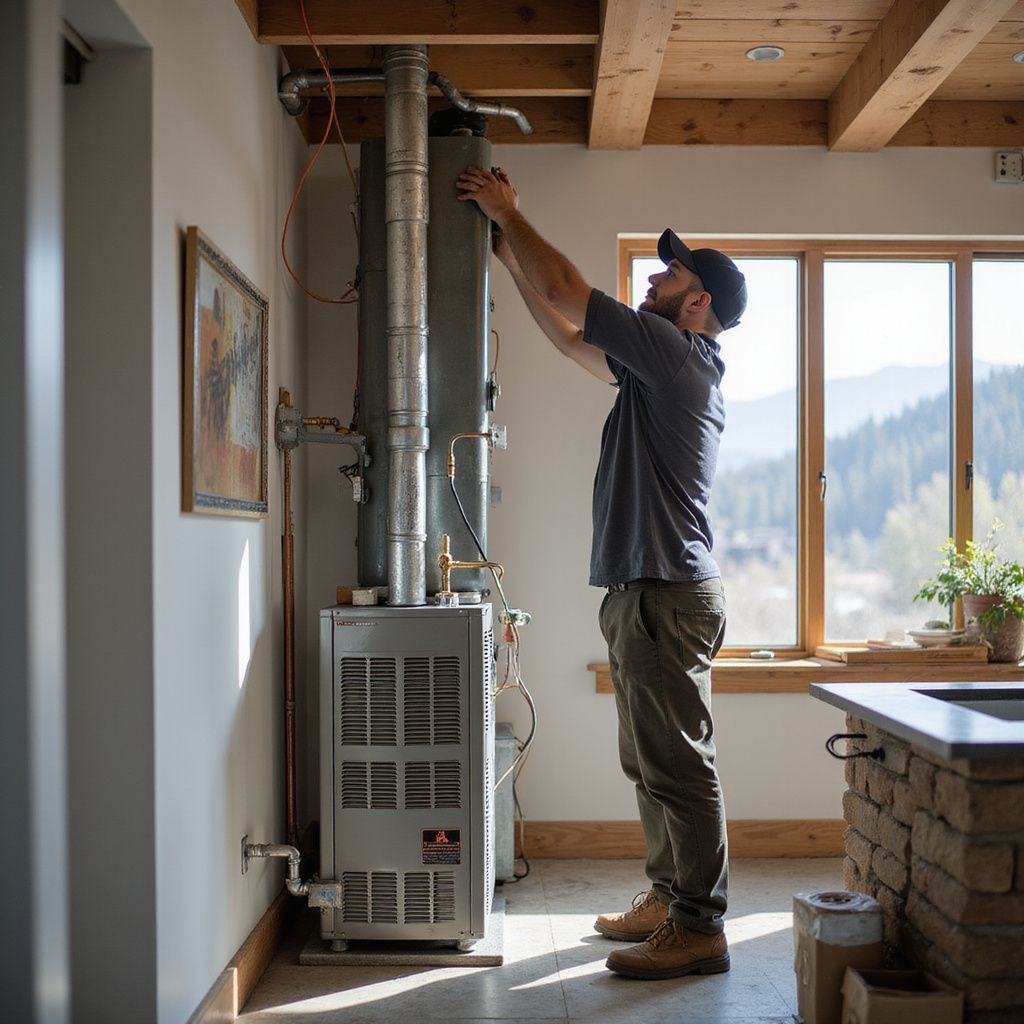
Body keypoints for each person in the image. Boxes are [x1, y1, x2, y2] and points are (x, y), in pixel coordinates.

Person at [457, 165, 747, 981]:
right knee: (649, 760)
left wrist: (512, 212)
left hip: (666, 593)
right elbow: (567, 330)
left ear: (697, 305)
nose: (656, 275)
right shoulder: (658, 370)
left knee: (680, 765)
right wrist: (508, 257)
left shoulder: (678, 356)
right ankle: (670, 894)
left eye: (673, 271)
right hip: (643, 591)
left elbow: (571, 288)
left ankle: (700, 926)